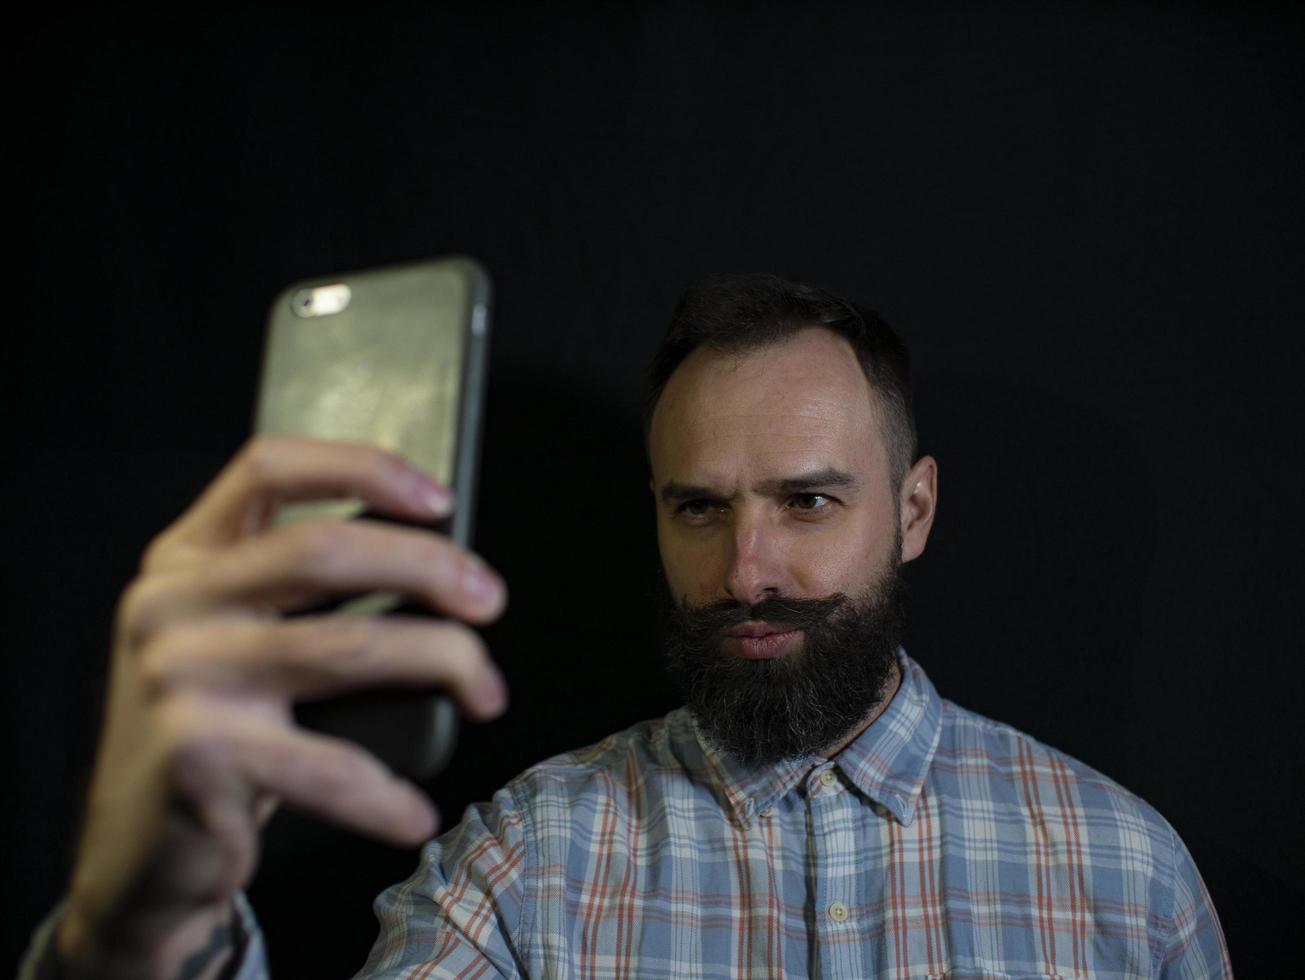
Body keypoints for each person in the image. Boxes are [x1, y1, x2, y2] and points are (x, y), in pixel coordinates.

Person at [22, 274, 1230, 979]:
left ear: (913, 509)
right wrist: (139, 931)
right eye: (697, 507)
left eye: (808, 500)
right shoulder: (523, 866)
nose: (745, 570)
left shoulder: (1124, 875)